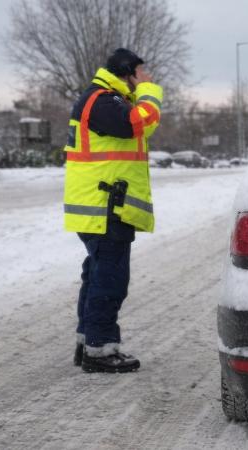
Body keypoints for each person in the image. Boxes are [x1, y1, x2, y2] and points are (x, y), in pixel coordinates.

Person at [63, 48, 163, 373]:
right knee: (109, 279)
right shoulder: (103, 101)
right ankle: (100, 349)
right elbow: (140, 123)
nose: (146, 77)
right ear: (128, 71)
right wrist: (150, 92)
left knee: (97, 275)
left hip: (102, 206)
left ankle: (88, 341)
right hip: (104, 208)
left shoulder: (107, 100)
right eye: (141, 72)